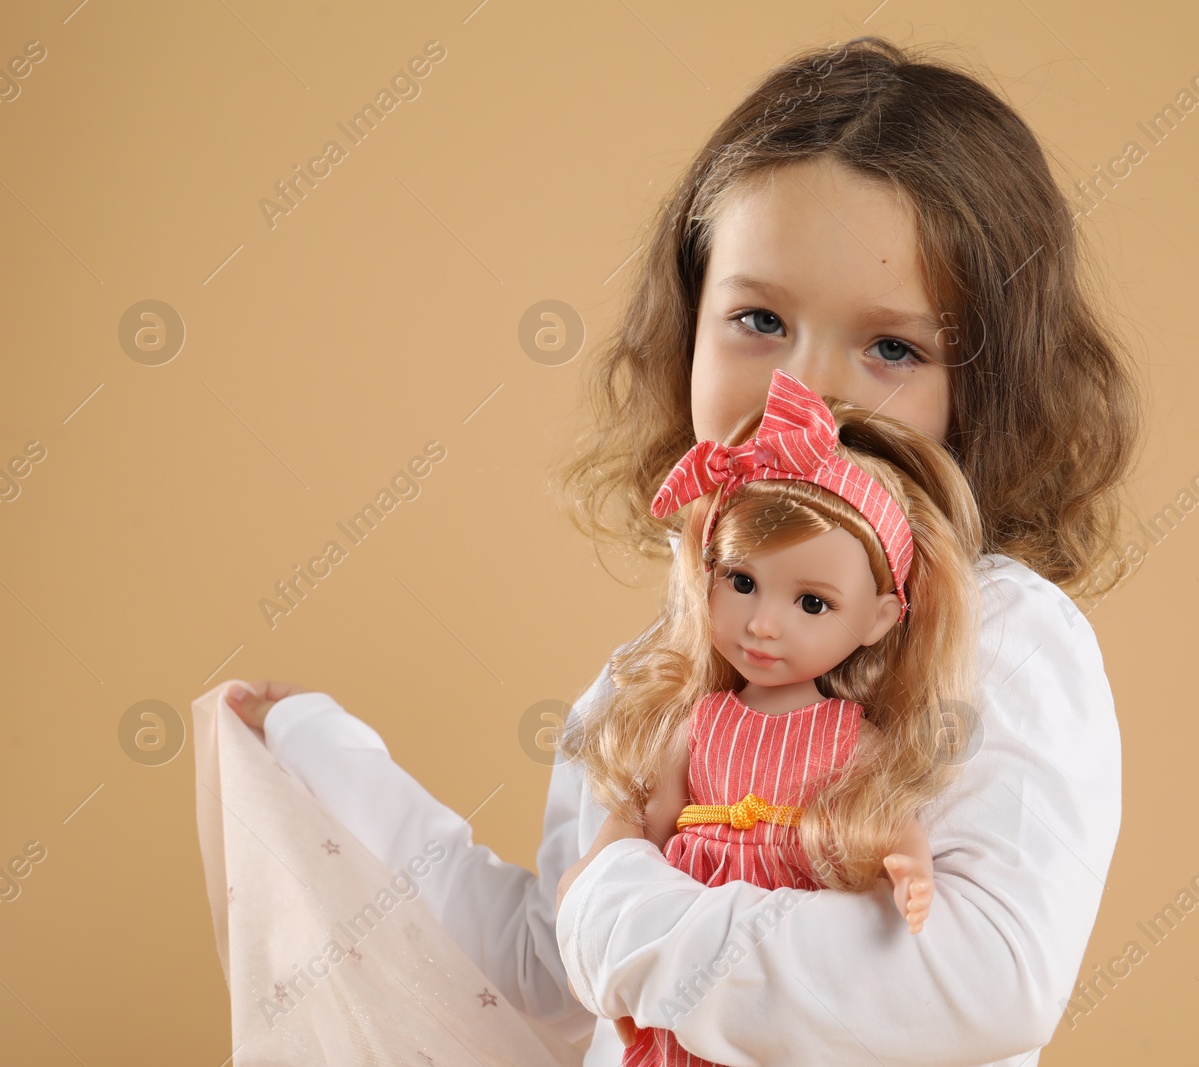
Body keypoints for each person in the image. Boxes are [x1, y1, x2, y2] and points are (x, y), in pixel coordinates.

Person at [227, 34, 1142, 1067]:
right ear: (687, 332)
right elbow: (550, 967)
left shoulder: (1002, 635)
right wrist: (321, 761)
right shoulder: (654, 672)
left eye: (891, 346)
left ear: (983, 385)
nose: (806, 391)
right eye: (759, 317)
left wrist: (627, 910)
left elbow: (988, 975)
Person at [561, 368, 985, 1065]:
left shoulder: (853, 736)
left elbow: (887, 818)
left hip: (780, 953)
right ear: (709, 573)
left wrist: (909, 864)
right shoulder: (699, 721)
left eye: (811, 603)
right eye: (742, 581)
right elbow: (645, 824)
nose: (762, 623)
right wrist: (596, 876)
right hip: (686, 930)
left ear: (881, 620)